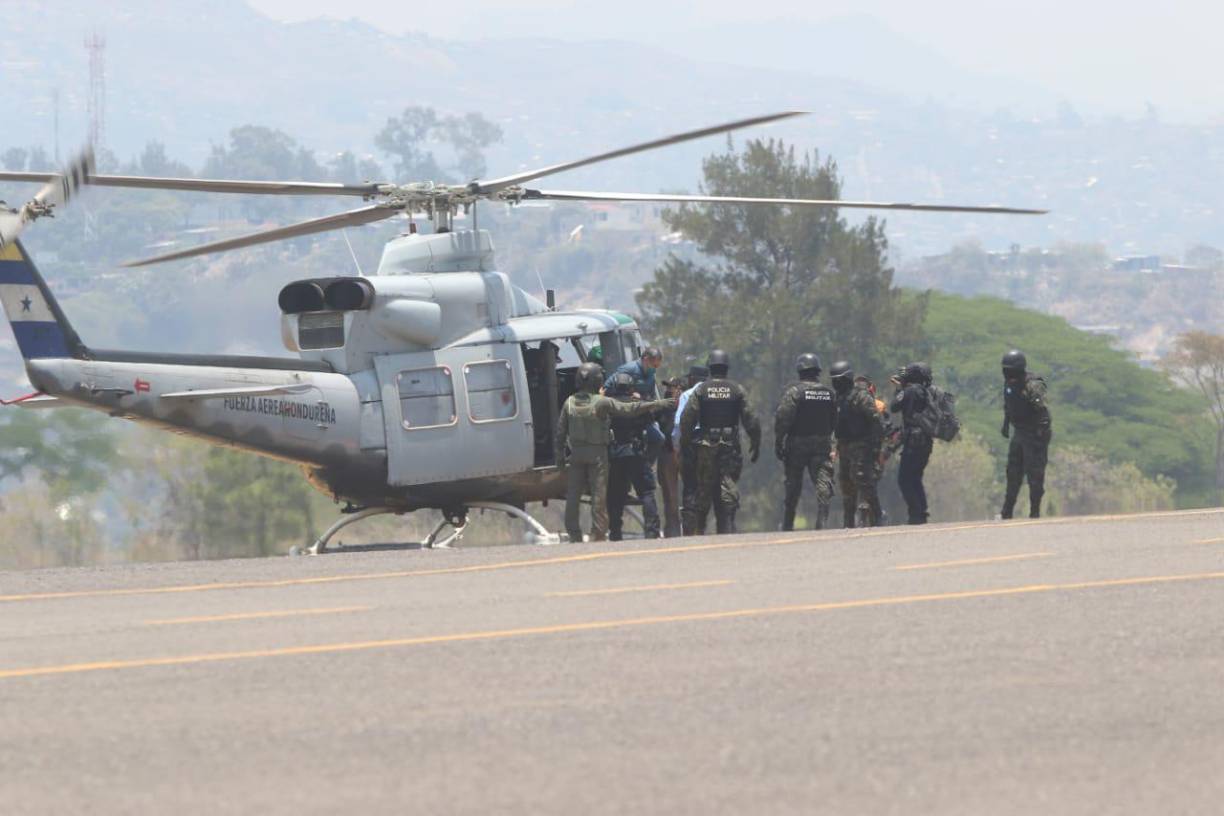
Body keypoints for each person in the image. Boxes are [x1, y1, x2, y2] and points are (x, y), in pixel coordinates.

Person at [555, 362, 675, 543]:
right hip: (606, 455)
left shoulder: (569, 403)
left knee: (578, 496)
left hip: (586, 455)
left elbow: (560, 434)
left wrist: (560, 461)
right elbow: (631, 412)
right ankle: (601, 534)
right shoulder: (603, 402)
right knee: (603, 496)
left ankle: (581, 534)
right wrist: (658, 403)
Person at [679, 350, 761, 535]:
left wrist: (686, 445)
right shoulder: (737, 389)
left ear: (710, 368)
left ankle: (700, 529)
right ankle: (728, 525)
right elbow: (751, 420)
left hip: (706, 446)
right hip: (730, 446)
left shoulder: (701, 390)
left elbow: (687, 419)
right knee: (728, 483)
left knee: (704, 486)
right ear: (726, 368)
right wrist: (756, 443)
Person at [774, 353, 838, 530]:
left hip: (797, 445)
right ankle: (822, 521)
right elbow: (834, 420)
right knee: (823, 481)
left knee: (793, 484)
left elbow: (783, 418)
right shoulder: (829, 393)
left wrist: (779, 441)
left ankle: (788, 523)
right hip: (822, 444)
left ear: (800, 370)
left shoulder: (795, 392)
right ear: (817, 371)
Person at [606, 372, 662, 539]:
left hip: (616, 456)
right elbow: (652, 421)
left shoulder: (609, 406)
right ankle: (651, 531)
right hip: (637, 454)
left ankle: (615, 532)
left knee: (614, 496)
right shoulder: (638, 405)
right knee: (646, 492)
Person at [1000, 349, 1053, 519]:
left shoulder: (1032, 384)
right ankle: (1007, 512)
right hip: (1020, 432)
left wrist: (1039, 433)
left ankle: (1034, 511)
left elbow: (1042, 410)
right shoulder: (1009, 384)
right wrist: (1006, 425)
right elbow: (1009, 407)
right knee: (1013, 472)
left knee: (1035, 474)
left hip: (1034, 434)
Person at [831, 361, 883, 528]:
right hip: (844, 445)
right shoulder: (838, 398)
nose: (836, 383)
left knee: (863, 480)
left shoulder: (861, 396)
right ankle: (848, 522)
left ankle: (877, 516)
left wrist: (875, 448)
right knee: (846, 483)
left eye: (839, 380)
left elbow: (876, 422)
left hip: (862, 445)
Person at [890, 362, 934, 525]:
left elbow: (894, 406)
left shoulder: (909, 391)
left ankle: (916, 513)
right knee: (915, 477)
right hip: (926, 441)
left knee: (904, 479)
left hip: (913, 441)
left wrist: (900, 388)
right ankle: (921, 511)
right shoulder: (926, 392)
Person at [672, 365, 709, 535]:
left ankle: (689, 531)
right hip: (712, 445)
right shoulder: (713, 394)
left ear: (693, 378)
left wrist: (677, 448)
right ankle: (704, 527)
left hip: (691, 445)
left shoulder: (687, 395)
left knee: (690, 487)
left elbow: (679, 423)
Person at [656, 374, 687, 537]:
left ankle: (691, 527)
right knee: (669, 494)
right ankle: (672, 529)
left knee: (689, 491)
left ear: (680, 389)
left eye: (671, 387)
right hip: (667, 453)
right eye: (667, 387)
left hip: (683, 453)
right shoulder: (663, 407)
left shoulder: (688, 403)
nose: (668, 390)